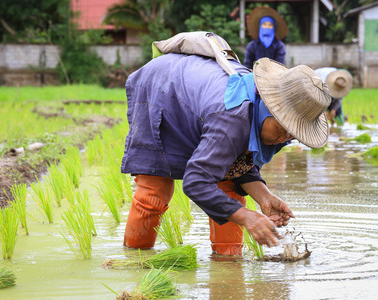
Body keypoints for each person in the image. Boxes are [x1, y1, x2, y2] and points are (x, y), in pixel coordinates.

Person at [121, 44, 331, 256]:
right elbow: (196, 182)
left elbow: (239, 163)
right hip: (163, 88)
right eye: (281, 129)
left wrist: (264, 197)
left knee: (229, 186)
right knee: (154, 191)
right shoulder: (233, 117)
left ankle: (228, 265)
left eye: (292, 134)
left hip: (205, 104)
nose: (284, 139)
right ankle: (135, 258)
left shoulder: (275, 127)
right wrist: (246, 216)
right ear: (268, 106)